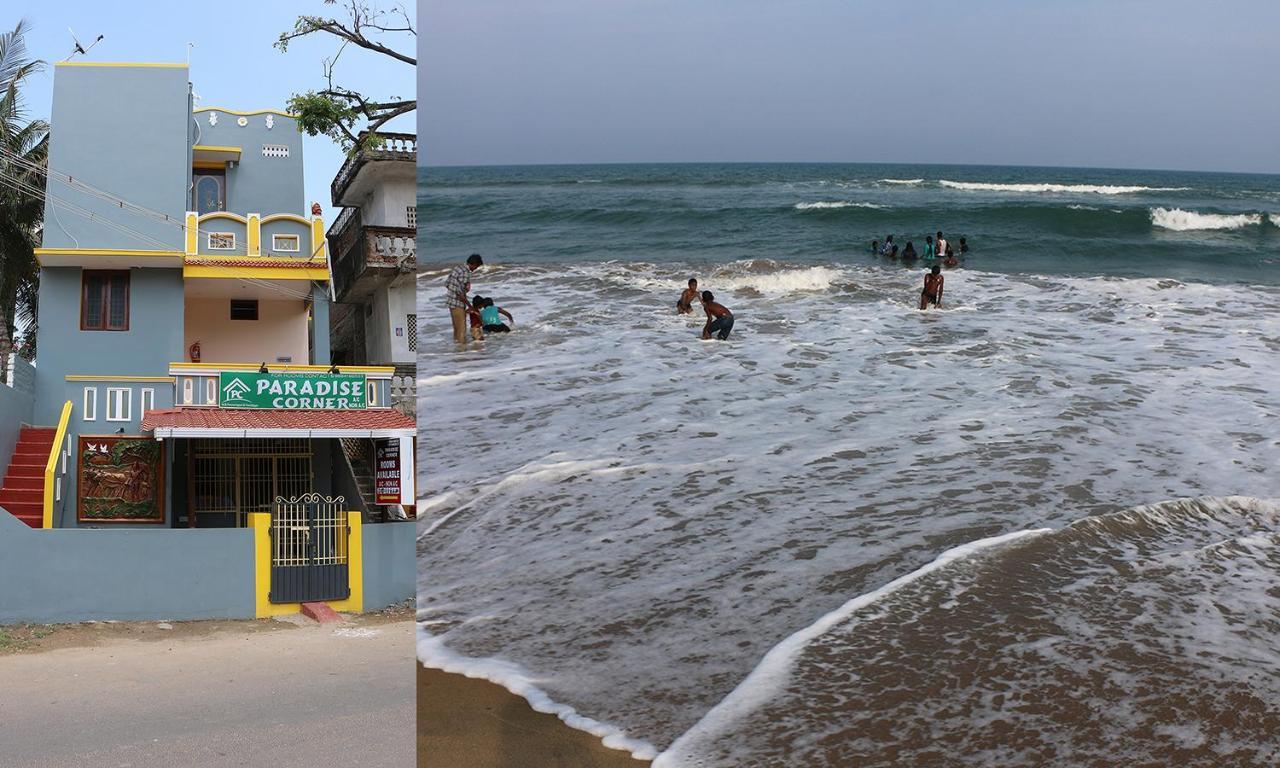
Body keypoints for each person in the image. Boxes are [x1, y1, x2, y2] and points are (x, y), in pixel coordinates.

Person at [446, 254, 483, 344]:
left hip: (451, 302)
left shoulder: (458, 268)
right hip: (458, 303)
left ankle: (457, 348)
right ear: (473, 264)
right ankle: (462, 351)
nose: (475, 269)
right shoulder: (465, 273)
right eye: (476, 267)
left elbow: (447, 283)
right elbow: (461, 295)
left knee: (456, 328)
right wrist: (470, 307)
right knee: (462, 329)